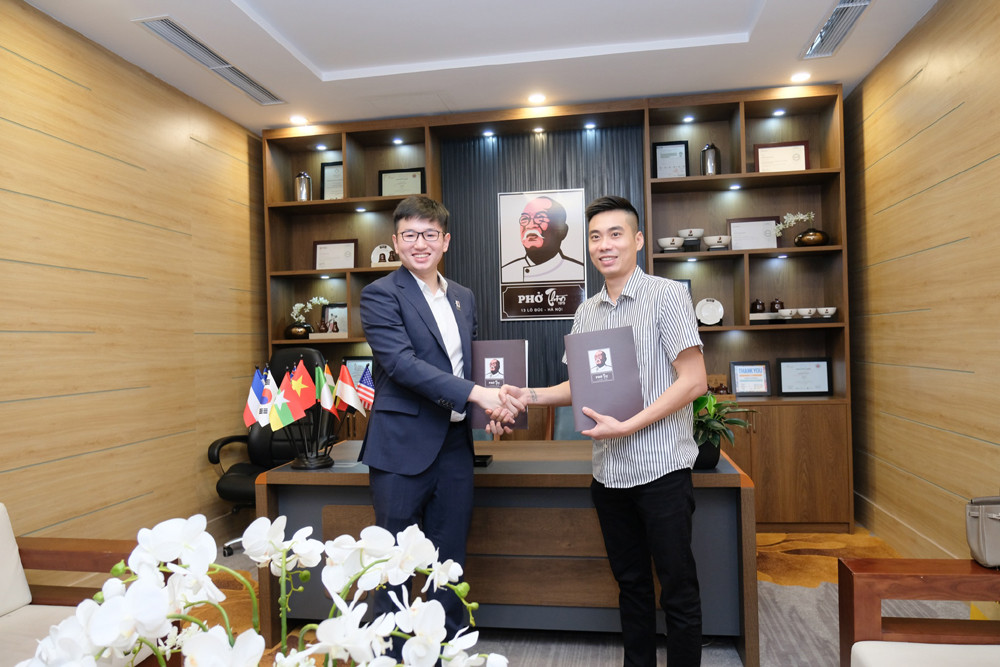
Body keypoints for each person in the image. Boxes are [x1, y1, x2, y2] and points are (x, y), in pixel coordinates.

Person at [492, 195, 707, 667]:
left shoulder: (667, 296)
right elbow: (579, 386)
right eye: (595, 237)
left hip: (661, 470)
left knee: (677, 589)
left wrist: (628, 425)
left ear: (638, 240)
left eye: (615, 234)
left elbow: (694, 381)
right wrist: (527, 395)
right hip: (609, 475)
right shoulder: (586, 311)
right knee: (630, 586)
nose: (604, 245)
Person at [359, 195, 516, 647]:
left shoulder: (463, 297)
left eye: (429, 234)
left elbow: (471, 367)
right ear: (395, 242)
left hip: (453, 447)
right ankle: (390, 653)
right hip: (400, 447)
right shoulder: (380, 294)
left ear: (445, 241)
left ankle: (447, 649)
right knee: (393, 564)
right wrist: (477, 394)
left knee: (449, 562)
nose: (420, 243)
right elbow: (402, 364)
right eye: (409, 235)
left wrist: (490, 410)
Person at [500, 195, 585, 283]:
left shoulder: (578, 272)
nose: (530, 226)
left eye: (540, 218)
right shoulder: (505, 273)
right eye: (525, 219)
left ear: (562, 230)